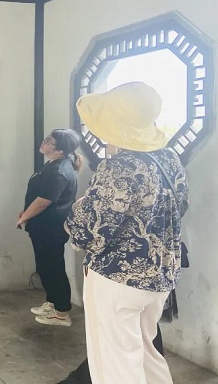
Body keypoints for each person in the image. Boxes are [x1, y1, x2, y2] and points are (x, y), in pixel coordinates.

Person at [66, 82, 189, 384]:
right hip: (160, 275)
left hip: (117, 278)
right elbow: (181, 205)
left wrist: (76, 209)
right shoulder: (168, 158)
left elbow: (88, 231)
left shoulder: (119, 167)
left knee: (116, 365)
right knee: (147, 352)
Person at [18, 129, 82, 327]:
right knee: (45, 266)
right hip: (42, 226)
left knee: (53, 268)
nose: (43, 142)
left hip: (50, 227)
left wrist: (24, 217)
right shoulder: (53, 165)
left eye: (48, 141)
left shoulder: (59, 170)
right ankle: (53, 303)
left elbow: (43, 202)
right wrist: (25, 212)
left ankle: (62, 313)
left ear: (60, 150)